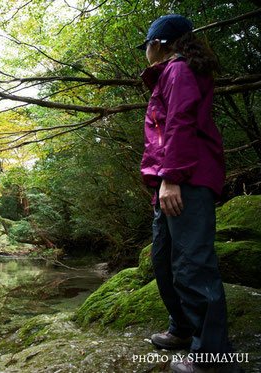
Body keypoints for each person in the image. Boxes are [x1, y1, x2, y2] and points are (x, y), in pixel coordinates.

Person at [136, 15, 241, 373]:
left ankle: (214, 358)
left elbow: (181, 122)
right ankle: (183, 328)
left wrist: (172, 178)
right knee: (163, 260)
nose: (145, 52)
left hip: (186, 180)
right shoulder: (170, 72)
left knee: (192, 266)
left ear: (160, 44)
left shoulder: (178, 70)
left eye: (146, 45)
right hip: (172, 180)